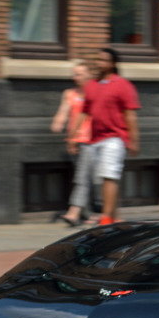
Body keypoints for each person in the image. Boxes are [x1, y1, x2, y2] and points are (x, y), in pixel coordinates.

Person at [71, 48, 140, 225]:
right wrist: (73, 135)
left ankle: (106, 217)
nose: (98, 63)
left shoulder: (123, 85)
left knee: (109, 175)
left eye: (103, 60)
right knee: (105, 179)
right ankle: (114, 216)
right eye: (97, 59)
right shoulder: (92, 85)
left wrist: (134, 140)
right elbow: (84, 112)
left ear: (112, 64)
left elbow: (130, 115)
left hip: (115, 137)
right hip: (95, 139)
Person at [52, 63, 95, 227]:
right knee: (86, 177)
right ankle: (90, 213)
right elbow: (63, 111)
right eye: (74, 74)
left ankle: (74, 212)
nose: (75, 78)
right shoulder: (69, 94)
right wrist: (58, 122)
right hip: (73, 139)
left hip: (91, 140)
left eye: (79, 74)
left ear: (88, 75)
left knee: (82, 176)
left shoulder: (95, 93)